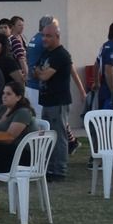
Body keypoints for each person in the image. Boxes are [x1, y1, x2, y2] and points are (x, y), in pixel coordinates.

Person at [33, 16, 80, 180]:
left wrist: (40, 73)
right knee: (48, 135)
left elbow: (43, 75)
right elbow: (35, 70)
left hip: (58, 102)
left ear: (57, 36)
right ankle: (50, 168)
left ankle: (59, 170)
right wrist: (39, 73)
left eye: (48, 36)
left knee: (58, 136)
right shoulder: (47, 53)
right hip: (47, 101)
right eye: (43, 35)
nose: (44, 39)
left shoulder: (61, 55)